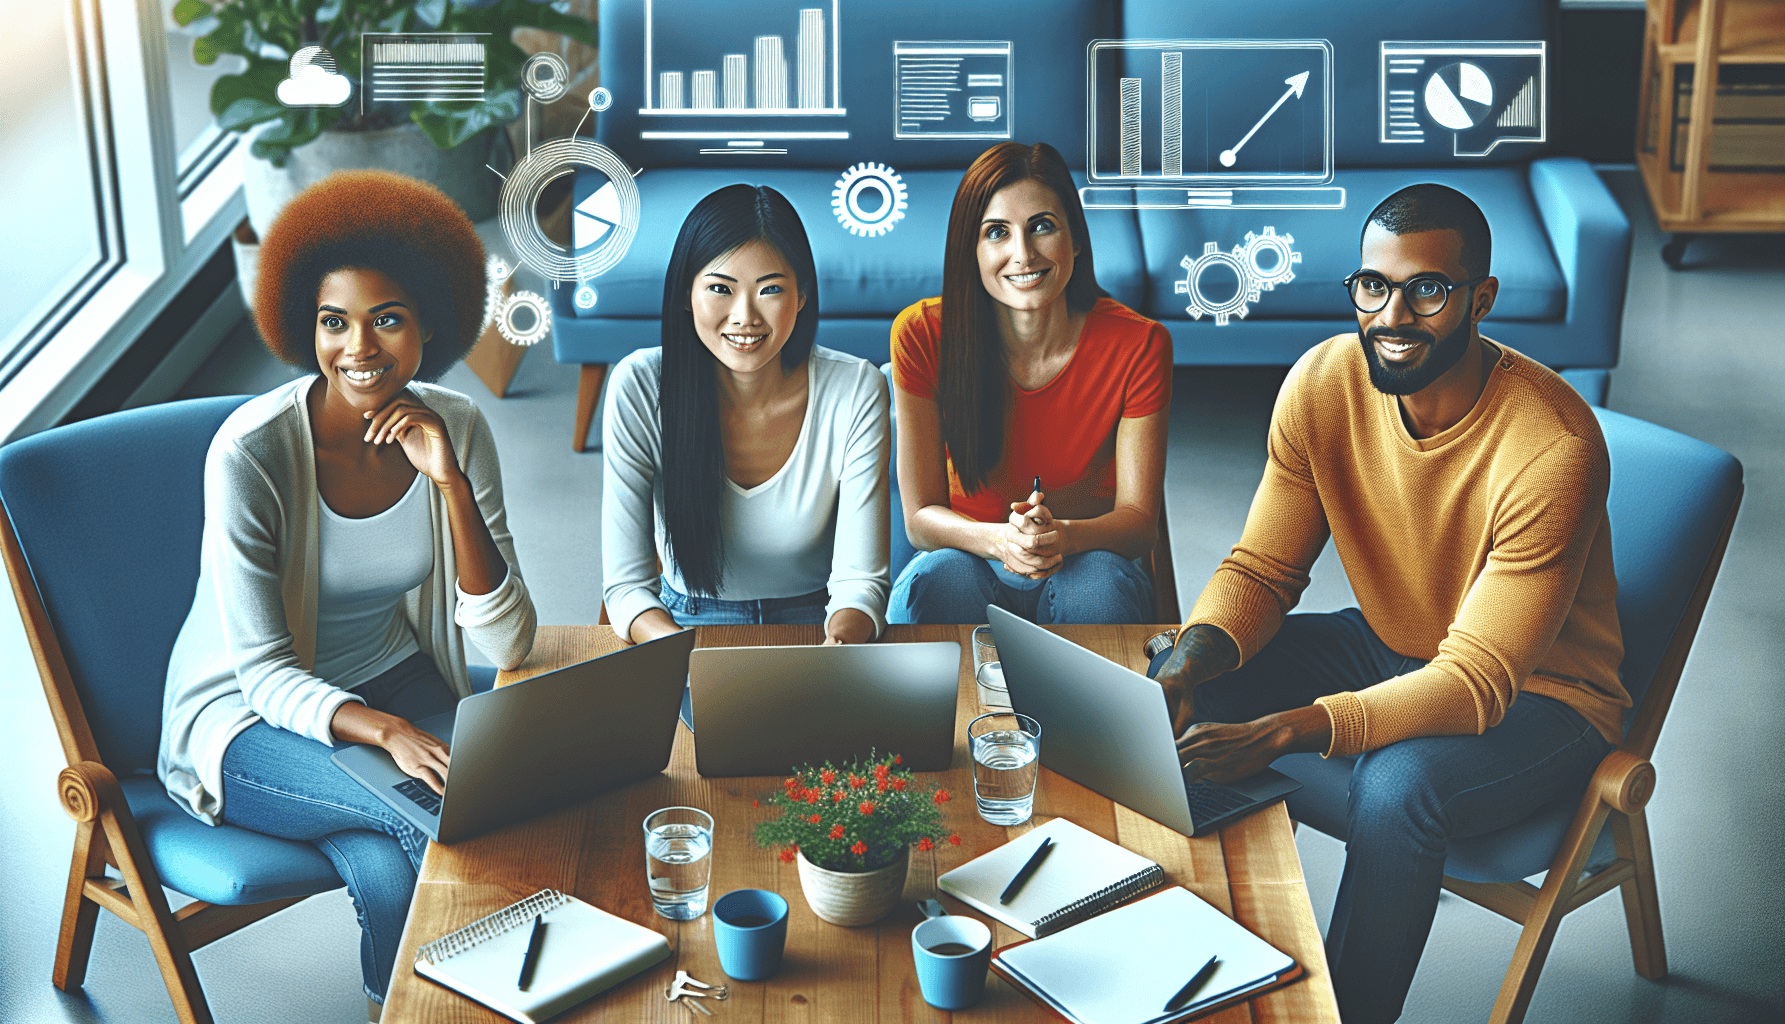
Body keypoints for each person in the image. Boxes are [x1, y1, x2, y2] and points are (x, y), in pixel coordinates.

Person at [1153, 183, 1628, 1023]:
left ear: (1481, 297)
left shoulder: (1554, 447)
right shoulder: (1325, 382)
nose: (1394, 315)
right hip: (1397, 645)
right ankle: (1197, 968)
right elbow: (1262, 570)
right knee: (1173, 688)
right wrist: (1190, 656)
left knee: (1396, 786)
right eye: (1374, 286)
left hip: (1542, 698)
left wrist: (1296, 724)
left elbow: (1477, 681)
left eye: (1428, 289)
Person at [157, 170, 536, 1014]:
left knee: (414, 844)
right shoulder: (250, 454)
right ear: (306, 324)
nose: (358, 347)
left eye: (387, 318)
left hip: (391, 673)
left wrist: (452, 488)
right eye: (335, 321)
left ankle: (399, 1004)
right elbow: (260, 672)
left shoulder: (456, 426)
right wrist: (387, 730)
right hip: (246, 719)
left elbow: (508, 647)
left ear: (430, 324)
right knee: (428, 820)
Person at [888, 141, 1171, 625]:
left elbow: (1140, 523)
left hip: (1085, 559)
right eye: (996, 232)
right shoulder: (920, 334)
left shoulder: (1139, 344)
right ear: (970, 251)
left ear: (1075, 239)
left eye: (1042, 226)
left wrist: (1060, 536)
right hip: (970, 555)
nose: (1022, 254)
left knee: (1101, 587)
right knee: (939, 579)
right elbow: (919, 518)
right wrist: (1001, 539)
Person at [603, 184, 889, 644]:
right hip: (685, 625)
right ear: (685, 294)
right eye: (720, 288)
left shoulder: (856, 388)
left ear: (802, 296)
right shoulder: (639, 386)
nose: (745, 316)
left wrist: (840, 647)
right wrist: (682, 658)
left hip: (819, 621)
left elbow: (861, 583)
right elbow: (628, 589)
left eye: (770, 289)